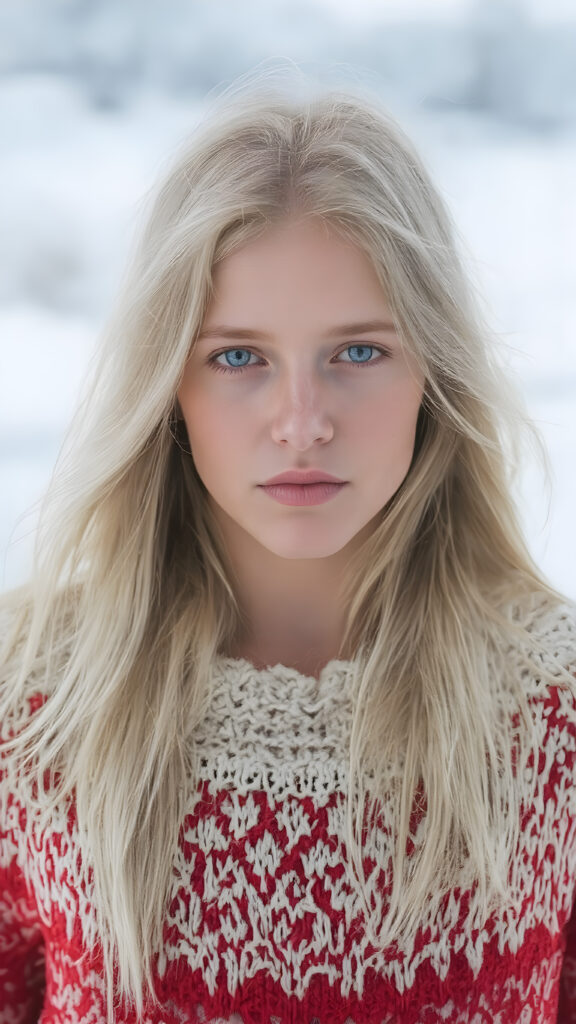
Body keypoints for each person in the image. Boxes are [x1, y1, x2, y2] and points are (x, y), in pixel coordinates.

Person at [1, 67, 576, 1024]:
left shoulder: (556, 712)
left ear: (433, 370)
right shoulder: (33, 704)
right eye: (238, 357)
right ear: (167, 386)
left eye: (358, 351)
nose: (302, 423)